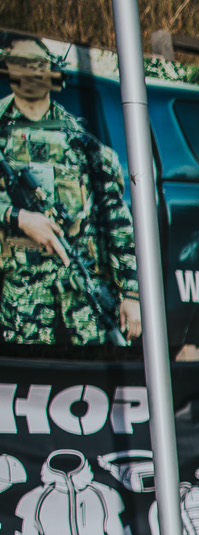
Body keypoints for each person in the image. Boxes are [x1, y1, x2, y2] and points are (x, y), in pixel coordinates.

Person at [0, 36, 140, 346]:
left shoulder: (83, 144)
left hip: (81, 303)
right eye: (21, 64)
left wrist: (131, 294)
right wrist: (18, 217)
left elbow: (117, 224)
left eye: (38, 64)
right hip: (17, 307)